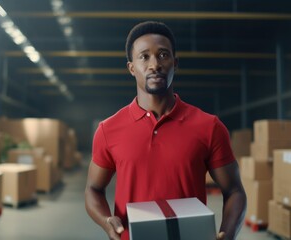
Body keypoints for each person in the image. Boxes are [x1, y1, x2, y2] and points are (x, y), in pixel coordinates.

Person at [85, 21, 246, 240]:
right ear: (131, 68)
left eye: (163, 55)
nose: (155, 65)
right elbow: (93, 189)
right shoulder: (108, 130)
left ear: (175, 63)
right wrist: (106, 221)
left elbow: (235, 191)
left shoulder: (209, 126)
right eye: (144, 56)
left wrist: (227, 234)